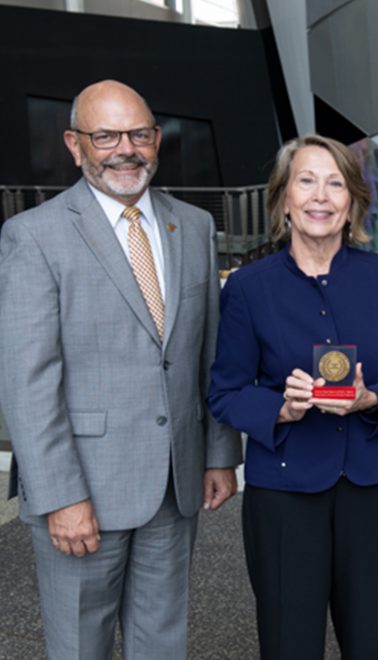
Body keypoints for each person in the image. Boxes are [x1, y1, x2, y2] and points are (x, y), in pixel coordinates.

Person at [0, 80, 241, 659]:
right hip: (82, 488)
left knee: (162, 641)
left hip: (173, 485)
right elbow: (27, 381)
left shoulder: (194, 226)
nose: (124, 149)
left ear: (157, 140)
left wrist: (218, 453)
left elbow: (210, 352)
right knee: (81, 645)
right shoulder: (34, 236)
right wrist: (60, 496)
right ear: (75, 145)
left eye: (137, 134)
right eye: (105, 136)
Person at [207, 134, 378, 660]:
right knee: (288, 642)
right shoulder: (249, 288)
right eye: (306, 181)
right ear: (284, 200)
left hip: (373, 486)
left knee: (367, 640)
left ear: (352, 204)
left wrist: (372, 400)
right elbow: (225, 391)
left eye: (335, 183)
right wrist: (280, 407)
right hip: (284, 491)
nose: (320, 196)